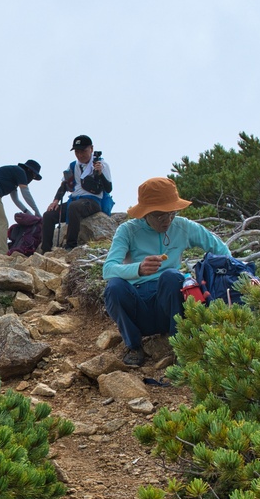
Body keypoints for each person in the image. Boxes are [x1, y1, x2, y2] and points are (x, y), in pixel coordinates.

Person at [102, 177, 230, 366]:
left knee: (172, 276)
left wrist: (214, 276)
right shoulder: (127, 230)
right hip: (138, 304)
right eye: (160, 215)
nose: (167, 220)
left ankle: (180, 346)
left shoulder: (183, 226)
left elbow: (222, 251)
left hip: (170, 304)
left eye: (172, 213)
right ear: (146, 213)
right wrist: (138, 268)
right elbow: (108, 269)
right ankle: (134, 346)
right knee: (114, 287)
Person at [41, 134, 112, 252]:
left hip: (93, 201)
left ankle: (70, 245)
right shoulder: (73, 166)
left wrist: (100, 174)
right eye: (77, 152)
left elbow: (108, 188)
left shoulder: (101, 165)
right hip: (74, 200)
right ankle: (46, 250)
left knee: (74, 207)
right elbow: (64, 185)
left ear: (91, 149)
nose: (80, 155)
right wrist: (55, 201)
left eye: (83, 151)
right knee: (49, 215)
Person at [0, 160, 42, 253]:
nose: (32, 178)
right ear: (29, 170)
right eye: (33, 176)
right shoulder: (20, 171)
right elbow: (26, 193)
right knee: (2, 223)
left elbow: (16, 200)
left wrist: (31, 215)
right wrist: (37, 212)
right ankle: (3, 253)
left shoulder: (13, 176)